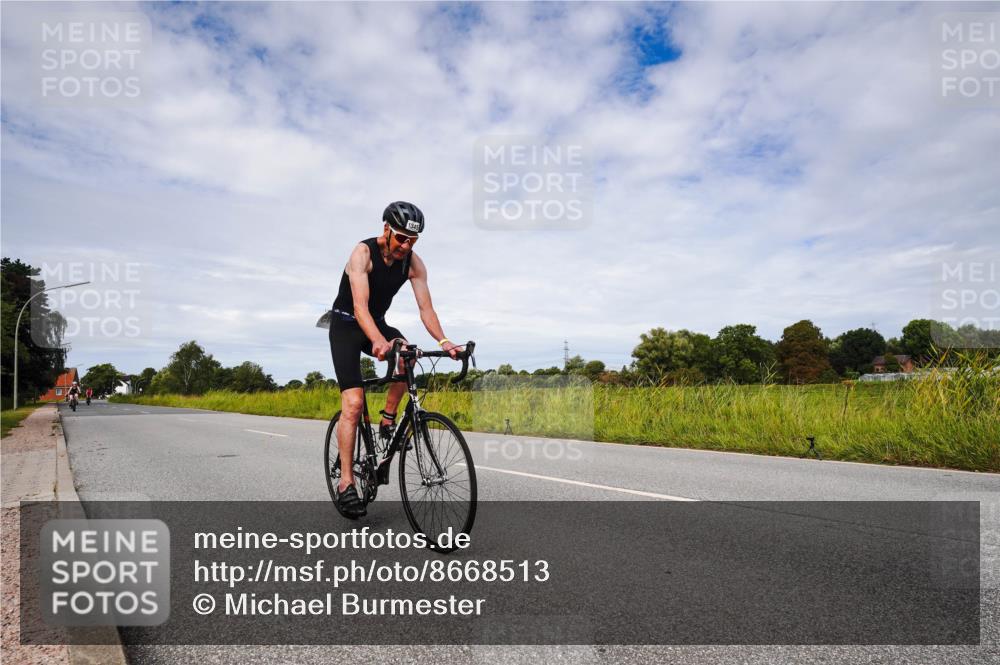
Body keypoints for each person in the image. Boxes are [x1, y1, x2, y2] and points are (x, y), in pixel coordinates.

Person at [329, 201, 458, 518]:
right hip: (347, 325)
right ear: (386, 228)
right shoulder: (362, 254)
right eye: (401, 238)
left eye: (413, 240)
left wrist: (444, 341)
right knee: (354, 404)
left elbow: (425, 309)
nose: (406, 246)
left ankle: (388, 421)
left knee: (409, 354)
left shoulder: (414, 264)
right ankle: (346, 483)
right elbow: (360, 308)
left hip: (379, 322)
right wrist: (376, 340)